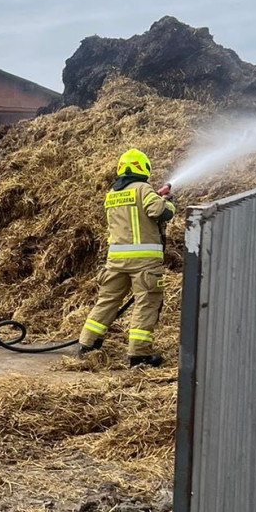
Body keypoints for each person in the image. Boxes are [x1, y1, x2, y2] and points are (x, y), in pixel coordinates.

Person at [78, 149, 176, 368]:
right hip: (144, 262)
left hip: (115, 261)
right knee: (147, 303)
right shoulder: (143, 189)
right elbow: (159, 212)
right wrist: (168, 202)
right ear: (143, 168)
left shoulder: (112, 193)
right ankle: (139, 355)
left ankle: (87, 344)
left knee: (107, 301)